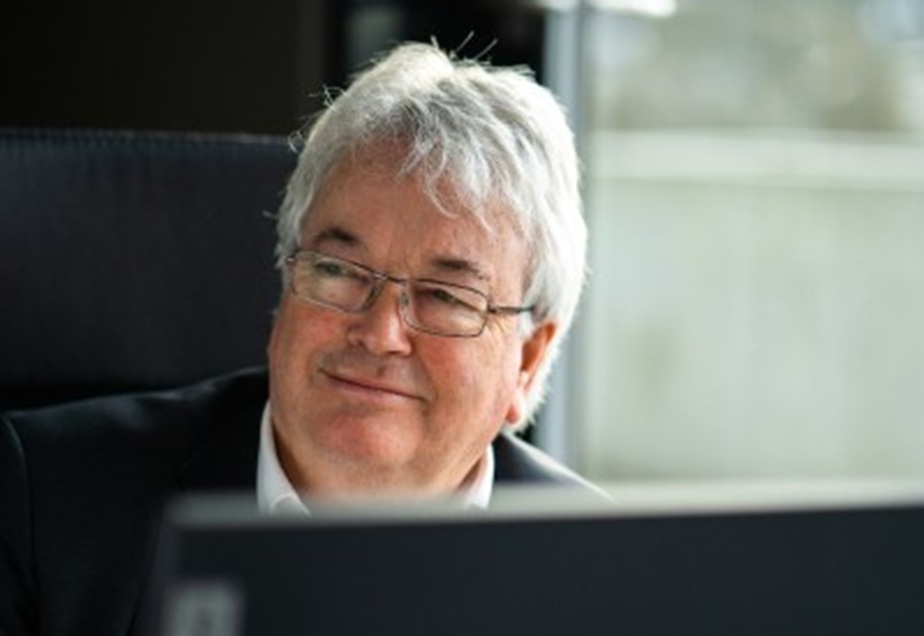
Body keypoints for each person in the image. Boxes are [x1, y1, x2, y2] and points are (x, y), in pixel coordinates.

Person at [0, 41, 601, 636]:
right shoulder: (42, 503)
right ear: (286, 280)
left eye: (446, 296)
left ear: (528, 360)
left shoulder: (603, 575)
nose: (380, 334)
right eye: (338, 270)